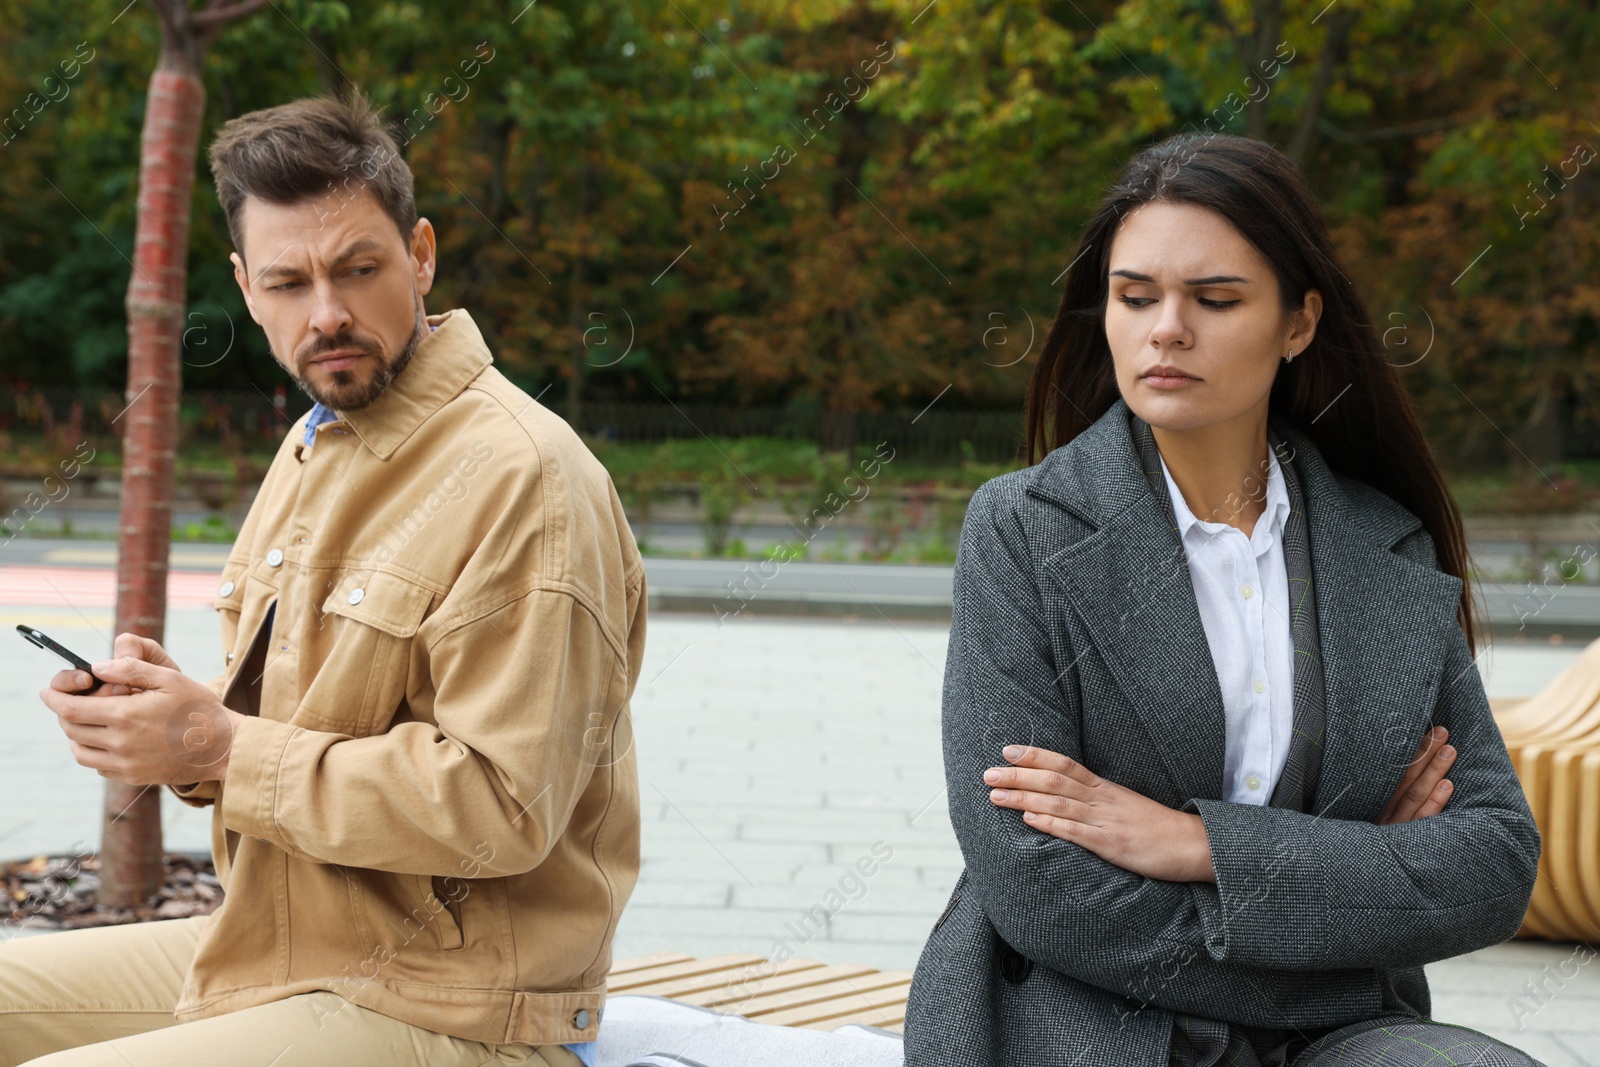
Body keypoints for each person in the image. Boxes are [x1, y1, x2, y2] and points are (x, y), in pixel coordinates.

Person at [5, 91, 646, 1067]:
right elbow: (294, 733)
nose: (328, 313)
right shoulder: (317, 442)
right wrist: (175, 729)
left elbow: (503, 810)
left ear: (421, 253)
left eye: (359, 268)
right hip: (288, 940)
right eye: (289, 282)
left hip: (460, 1002)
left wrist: (220, 743)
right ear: (245, 287)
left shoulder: (527, 478)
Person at [903, 132, 1545, 1066]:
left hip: (1345, 1034)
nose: (1167, 328)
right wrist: (1349, 885)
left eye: (1215, 299)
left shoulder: (1383, 542)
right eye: (1134, 297)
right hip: (1089, 1020)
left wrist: (1196, 845)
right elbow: (1036, 885)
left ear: (1299, 322)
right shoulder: (1022, 529)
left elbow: (1492, 864)